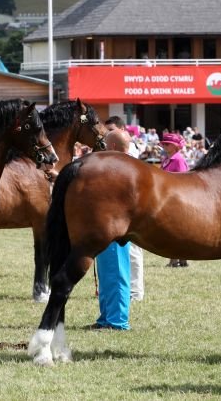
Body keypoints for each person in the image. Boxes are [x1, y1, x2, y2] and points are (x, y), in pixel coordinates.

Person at [92, 129, 133, 329]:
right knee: (107, 273)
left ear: (113, 146)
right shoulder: (119, 166)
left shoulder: (121, 168)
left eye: (105, 144)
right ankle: (106, 318)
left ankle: (117, 321)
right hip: (107, 227)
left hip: (116, 228)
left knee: (116, 272)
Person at [160, 132, 190, 267]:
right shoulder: (166, 159)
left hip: (178, 198)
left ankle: (176, 259)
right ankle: (181, 259)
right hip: (168, 198)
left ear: (175, 146)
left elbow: (184, 180)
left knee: (176, 230)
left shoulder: (178, 160)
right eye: (164, 144)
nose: (164, 146)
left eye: (167, 144)